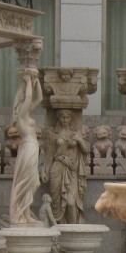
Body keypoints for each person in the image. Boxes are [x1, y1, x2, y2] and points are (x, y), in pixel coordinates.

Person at [42, 109, 89, 224]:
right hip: (57, 167)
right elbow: (50, 155)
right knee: (56, 201)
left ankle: (73, 230)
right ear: (59, 118)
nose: (65, 120)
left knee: (71, 202)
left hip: (72, 169)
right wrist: (45, 171)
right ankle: (58, 228)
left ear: (71, 119)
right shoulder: (54, 134)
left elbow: (86, 150)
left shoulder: (75, 134)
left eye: (67, 117)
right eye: (63, 117)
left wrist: (79, 140)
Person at [9, 68, 43, 225]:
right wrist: (28, 80)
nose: (28, 103)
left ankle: (26, 213)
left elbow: (39, 98)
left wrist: (36, 82)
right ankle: (18, 213)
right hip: (28, 147)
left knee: (34, 182)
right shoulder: (21, 116)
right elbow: (29, 98)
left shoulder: (26, 114)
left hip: (33, 147)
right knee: (26, 181)